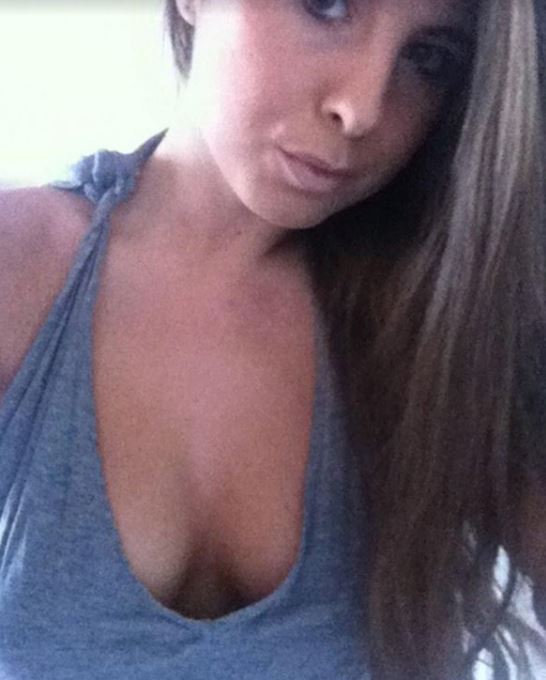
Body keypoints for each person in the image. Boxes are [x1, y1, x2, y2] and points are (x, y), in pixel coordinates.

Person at [0, 0, 545, 678]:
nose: (363, 108)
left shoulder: (440, 332)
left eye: (428, 57)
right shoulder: (19, 270)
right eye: (327, 6)